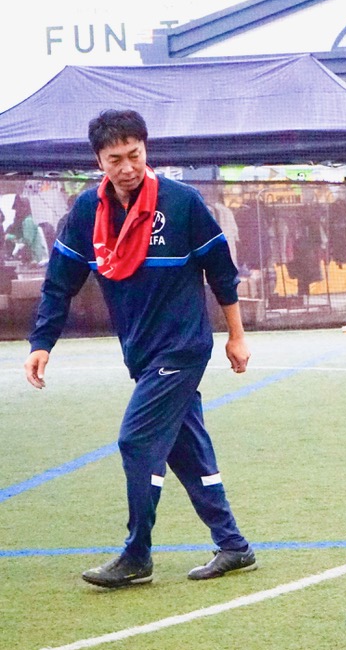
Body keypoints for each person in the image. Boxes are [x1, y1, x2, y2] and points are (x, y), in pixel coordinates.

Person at [24, 109, 256, 588]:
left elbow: (222, 273)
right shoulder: (86, 213)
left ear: (146, 150)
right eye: (116, 159)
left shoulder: (182, 202)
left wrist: (236, 336)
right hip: (141, 353)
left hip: (183, 348)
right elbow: (59, 284)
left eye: (135, 154)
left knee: (137, 441)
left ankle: (137, 554)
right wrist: (42, 342)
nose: (128, 167)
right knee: (187, 451)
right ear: (99, 161)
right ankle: (234, 545)